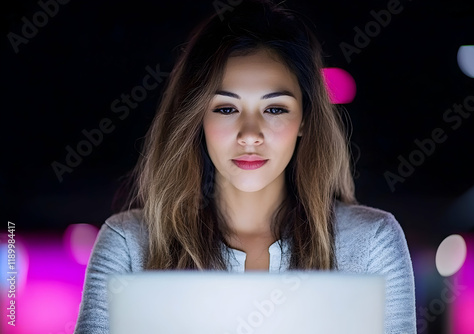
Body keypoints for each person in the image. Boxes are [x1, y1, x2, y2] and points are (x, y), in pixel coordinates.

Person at [74, 0, 416, 332]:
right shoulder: (128, 244)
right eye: (226, 108)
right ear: (196, 119)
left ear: (305, 121)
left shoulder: (373, 243)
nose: (250, 135)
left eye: (275, 109)